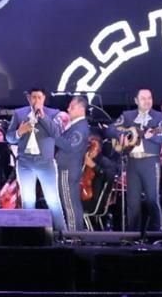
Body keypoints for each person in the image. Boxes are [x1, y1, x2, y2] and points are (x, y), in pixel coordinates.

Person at [107, 88, 162, 231]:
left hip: (150, 162)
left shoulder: (159, 117)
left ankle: (157, 232)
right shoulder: (128, 116)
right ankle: (133, 234)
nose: (147, 101)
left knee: (152, 199)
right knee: (132, 202)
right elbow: (109, 129)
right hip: (132, 162)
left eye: (149, 98)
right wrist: (123, 133)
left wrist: (151, 135)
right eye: (143, 98)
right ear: (136, 101)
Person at [6, 87, 65, 232]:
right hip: (25, 163)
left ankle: (63, 234)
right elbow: (9, 137)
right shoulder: (19, 114)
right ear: (29, 99)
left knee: (53, 200)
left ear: (44, 99)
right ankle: (29, 233)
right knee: (28, 200)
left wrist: (43, 116)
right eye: (33, 97)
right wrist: (20, 132)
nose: (36, 100)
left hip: (46, 162)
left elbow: (56, 134)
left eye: (39, 97)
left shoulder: (53, 113)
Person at [55, 95, 91, 231]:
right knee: (72, 203)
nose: (68, 109)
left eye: (72, 107)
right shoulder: (76, 126)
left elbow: (69, 146)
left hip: (68, 169)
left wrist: (53, 134)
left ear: (81, 109)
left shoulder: (80, 128)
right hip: (69, 169)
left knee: (69, 204)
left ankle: (73, 236)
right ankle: (76, 234)